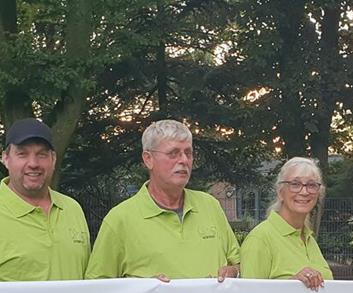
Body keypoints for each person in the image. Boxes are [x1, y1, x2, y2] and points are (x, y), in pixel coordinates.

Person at [86, 120, 239, 281]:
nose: (184, 160)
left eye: (188, 153)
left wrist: (233, 271)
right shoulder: (120, 219)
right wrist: (142, 289)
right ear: (148, 159)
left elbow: (238, 263)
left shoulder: (210, 206)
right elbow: (97, 286)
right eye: (173, 153)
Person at [0, 119, 90, 282]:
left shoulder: (72, 209)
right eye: (22, 154)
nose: (33, 163)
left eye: (42, 154)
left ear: (53, 159)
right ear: (5, 158)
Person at [240, 157, 332, 290]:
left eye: (311, 185)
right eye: (295, 184)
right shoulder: (260, 239)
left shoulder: (309, 239)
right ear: (280, 192)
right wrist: (291, 285)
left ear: (318, 193)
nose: (304, 192)